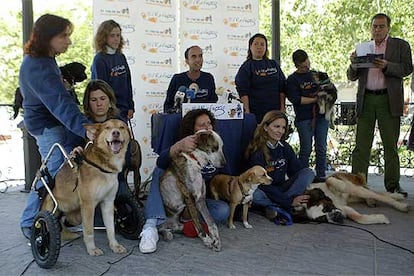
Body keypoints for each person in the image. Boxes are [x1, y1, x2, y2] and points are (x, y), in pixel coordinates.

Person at [19, 14, 90, 239]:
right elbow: (59, 103)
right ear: (47, 37)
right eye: (63, 36)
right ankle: (31, 224)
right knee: (50, 176)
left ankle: (56, 223)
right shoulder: (38, 66)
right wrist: (86, 128)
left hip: (52, 124)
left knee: (59, 174)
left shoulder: (45, 59)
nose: (68, 41)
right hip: (46, 127)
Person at [139, 109, 230, 254]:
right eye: (202, 125)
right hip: (176, 198)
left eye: (209, 123)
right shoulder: (185, 146)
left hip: (196, 200)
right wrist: (178, 146)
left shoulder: (214, 143)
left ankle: (176, 224)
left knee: (223, 210)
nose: (207, 127)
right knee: (159, 171)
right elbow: (161, 161)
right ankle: (151, 225)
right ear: (193, 130)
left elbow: (223, 172)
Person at [347, 13, 413, 197]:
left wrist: (387, 66)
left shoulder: (400, 45)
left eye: (381, 26)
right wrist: (353, 64)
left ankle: (393, 185)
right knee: (361, 146)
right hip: (366, 99)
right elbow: (351, 76)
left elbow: (408, 68)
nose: (377, 29)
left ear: (388, 28)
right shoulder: (363, 48)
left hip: (388, 99)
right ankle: (357, 186)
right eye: (374, 26)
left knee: (390, 145)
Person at [245, 110, 314, 222]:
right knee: (255, 195)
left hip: (282, 189)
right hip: (264, 190)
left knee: (309, 173)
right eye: (277, 126)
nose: (280, 131)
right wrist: (288, 201)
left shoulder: (285, 147)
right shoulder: (257, 151)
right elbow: (261, 184)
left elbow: (297, 171)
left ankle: (275, 207)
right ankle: (285, 205)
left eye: (283, 127)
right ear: (266, 127)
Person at [286, 49, 337, 182]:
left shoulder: (318, 74)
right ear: (296, 65)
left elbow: (330, 90)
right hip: (304, 117)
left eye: (307, 63)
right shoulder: (292, 80)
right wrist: (316, 99)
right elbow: (297, 100)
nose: (307, 67)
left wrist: (325, 97)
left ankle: (321, 175)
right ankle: (302, 176)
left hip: (322, 116)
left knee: (321, 147)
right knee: (306, 148)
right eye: (303, 66)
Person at [235, 33, 287, 123]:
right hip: (256, 113)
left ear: (266, 48)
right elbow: (243, 91)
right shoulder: (246, 67)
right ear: (250, 47)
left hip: (275, 113)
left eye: (262, 44)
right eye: (256, 44)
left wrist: (282, 108)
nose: (259, 47)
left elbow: (282, 88)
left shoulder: (273, 64)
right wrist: (247, 112)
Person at [91, 19, 134, 122]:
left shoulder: (121, 57)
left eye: (118, 35)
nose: (116, 39)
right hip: (109, 110)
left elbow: (128, 82)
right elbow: (100, 88)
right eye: (112, 35)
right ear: (104, 37)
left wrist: (130, 106)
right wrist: (109, 108)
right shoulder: (100, 59)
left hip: (123, 108)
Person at [163, 45, 218, 112]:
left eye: (200, 56)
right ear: (187, 61)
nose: (198, 60)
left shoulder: (208, 78)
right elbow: (168, 106)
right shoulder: (177, 79)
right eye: (193, 57)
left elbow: (213, 103)